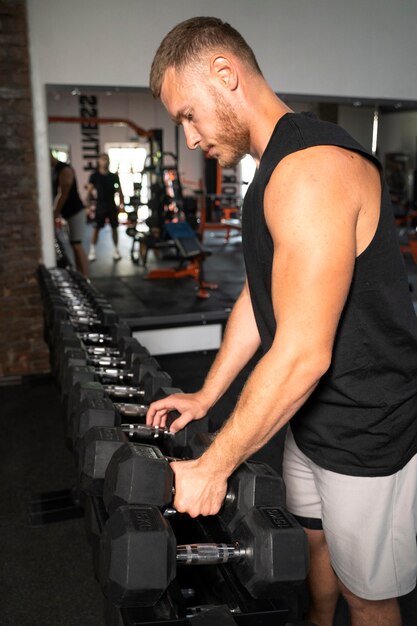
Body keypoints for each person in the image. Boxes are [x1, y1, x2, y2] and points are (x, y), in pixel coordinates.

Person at [145, 16, 417, 626]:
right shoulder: (270, 172)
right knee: (313, 544)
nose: (188, 137)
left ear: (225, 73)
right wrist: (207, 396)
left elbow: (301, 352)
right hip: (312, 416)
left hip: (366, 428)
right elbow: (259, 298)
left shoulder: (311, 170)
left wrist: (213, 466)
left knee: (369, 595)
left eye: (188, 114)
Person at [51, 153, 89, 276]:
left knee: (77, 244)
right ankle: (80, 276)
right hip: (67, 214)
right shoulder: (56, 170)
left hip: (75, 212)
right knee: (73, 245)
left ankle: (86, 278)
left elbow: (63, 193)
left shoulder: (65, 169)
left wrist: (54, 213)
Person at [86, 153, 124, 261]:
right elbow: (89, 192)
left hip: (111, 205)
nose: (105, 161)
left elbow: (120, 191)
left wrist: (122, 205)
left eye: (107, 159)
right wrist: (88, 206)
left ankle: (116, 250)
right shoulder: (94, 176)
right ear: (99, 161)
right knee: (96, 228)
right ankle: (92, 251)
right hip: (100, 205)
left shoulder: (113, 176)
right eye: (103, 159)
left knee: (114, 228)